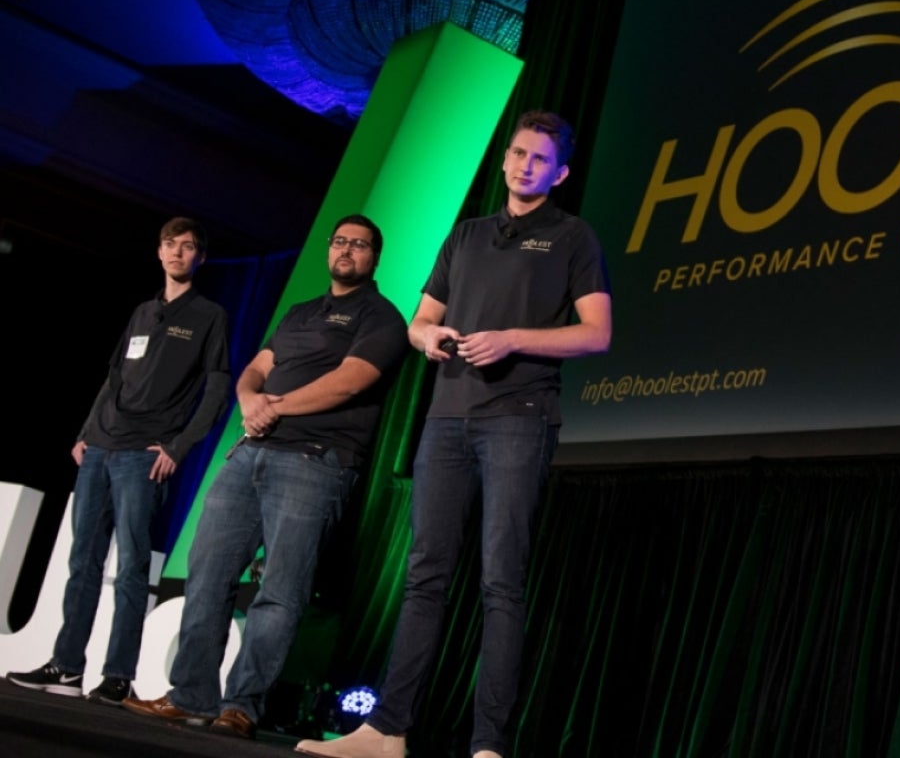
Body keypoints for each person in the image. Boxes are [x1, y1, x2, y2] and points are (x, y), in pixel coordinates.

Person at [296, 110, 612, 758]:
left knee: (501, 580)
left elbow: (597, 333)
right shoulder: (466, 235)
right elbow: (421, 319)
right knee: (424, 576)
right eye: (518, 153)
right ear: (505, 159)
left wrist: (514, 338)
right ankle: (386, 732)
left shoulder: (573, 238)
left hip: (518, 420)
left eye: (539, 159)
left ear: (561, 173)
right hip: (445, 419)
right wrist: (426, 336)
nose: (525, 165)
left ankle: (488, 744)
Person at [121, 213, 409, 739]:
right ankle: (191, 697)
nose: (347, 250)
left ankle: (242, 707)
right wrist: (252, 399)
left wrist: (274, 408)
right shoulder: (301, 312)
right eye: (340, 241)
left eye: (360, 245)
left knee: (280, 591)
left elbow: (349, 382)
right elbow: (256, 366)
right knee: (207, 575)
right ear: (329, 249)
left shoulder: (383, 318)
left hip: (315, 462)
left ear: (374, 257)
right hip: (250, 453)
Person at [6, 217, 231, 706]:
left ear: (200, 258)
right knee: (81, 560)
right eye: (170, 245)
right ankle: (66, 667)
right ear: (159, 252)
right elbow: (113, 377)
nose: (177, 253)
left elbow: (217, 389)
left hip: (144, 456)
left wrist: (179, 446)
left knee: (130, 567)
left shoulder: (209, 315)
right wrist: (87, 432)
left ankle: (117, 676)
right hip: (100, 450)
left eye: (188, 246)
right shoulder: (142, 311)